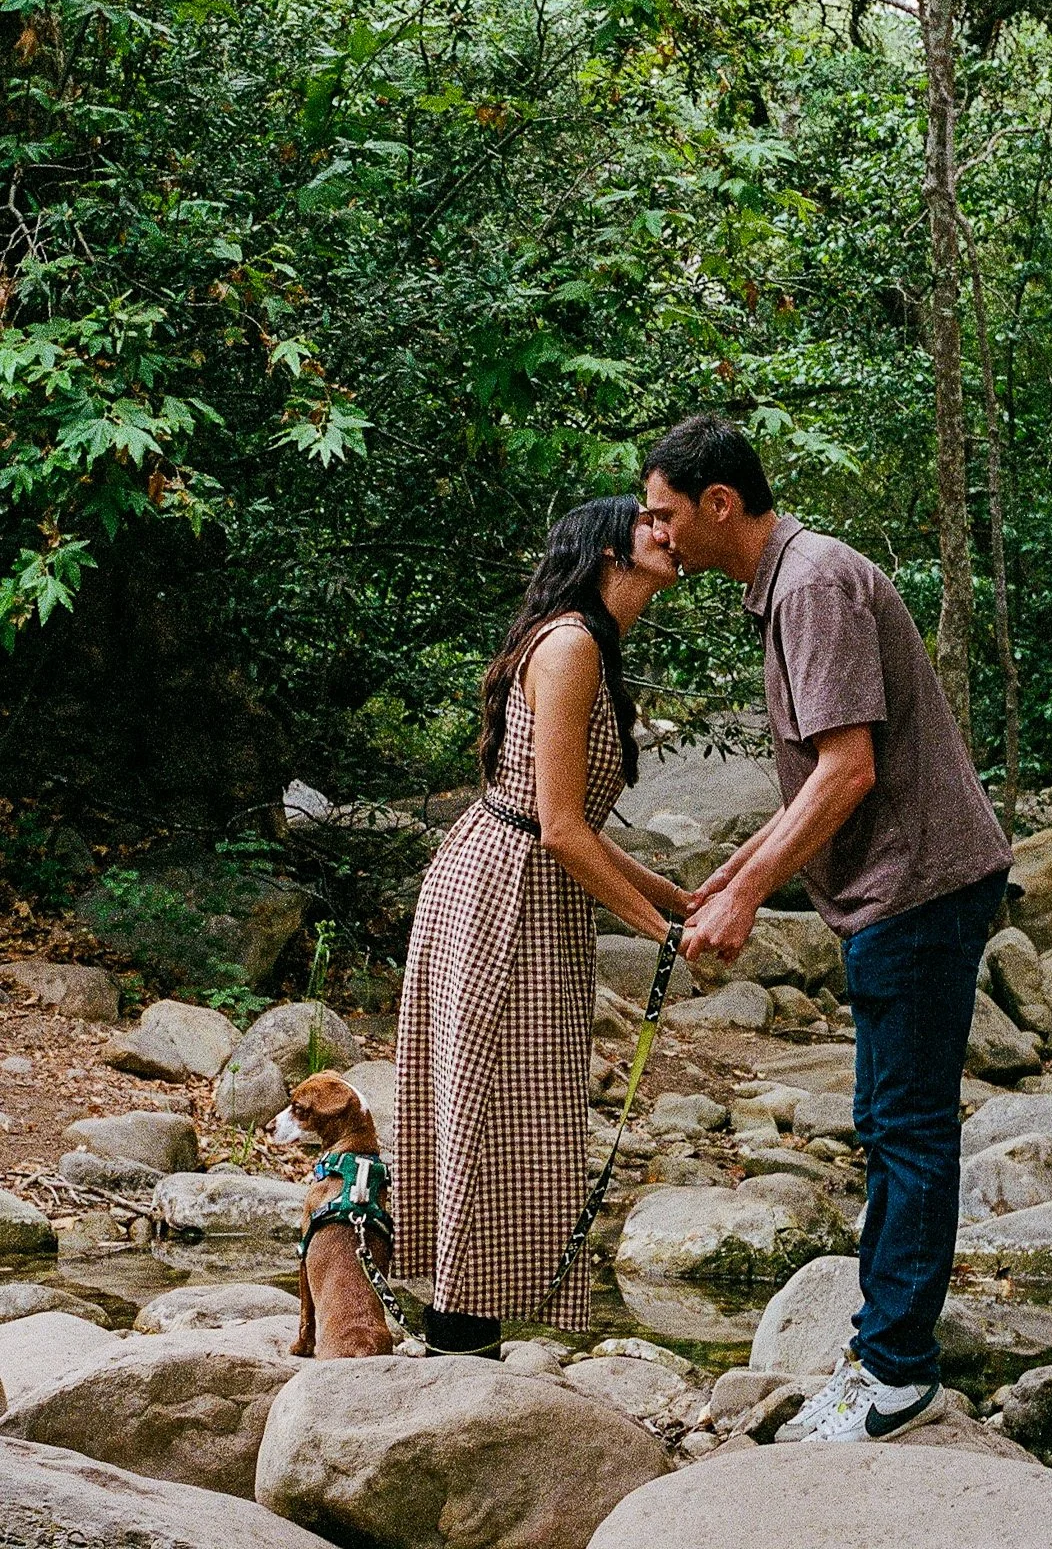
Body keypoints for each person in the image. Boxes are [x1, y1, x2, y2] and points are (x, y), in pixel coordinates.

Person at [642, 415, 1012, 1442]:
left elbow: (849, 768)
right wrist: (728, 873)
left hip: (918, 885)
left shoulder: (809, 583)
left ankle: (894, 1373)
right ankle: (887, 1354)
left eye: (666, 513)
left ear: (721, 503)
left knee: (904, 1129)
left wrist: (749, 892)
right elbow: (822, 774)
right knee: (897, 1124)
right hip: (903, 886)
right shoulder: (796, 580)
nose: (657, 534)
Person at [392, 495, 693, 1355]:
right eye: (648, 521)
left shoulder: (591, 644)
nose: (666, 531)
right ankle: (456, 1341)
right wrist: (660, 933)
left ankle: (461, 1333)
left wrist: (675, 901)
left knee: (517, 1111)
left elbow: (567, 826)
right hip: (503, 890)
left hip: (527, 883)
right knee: (493, 1110)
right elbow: (558, 828)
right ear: (608, 550)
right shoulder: (569, 646)